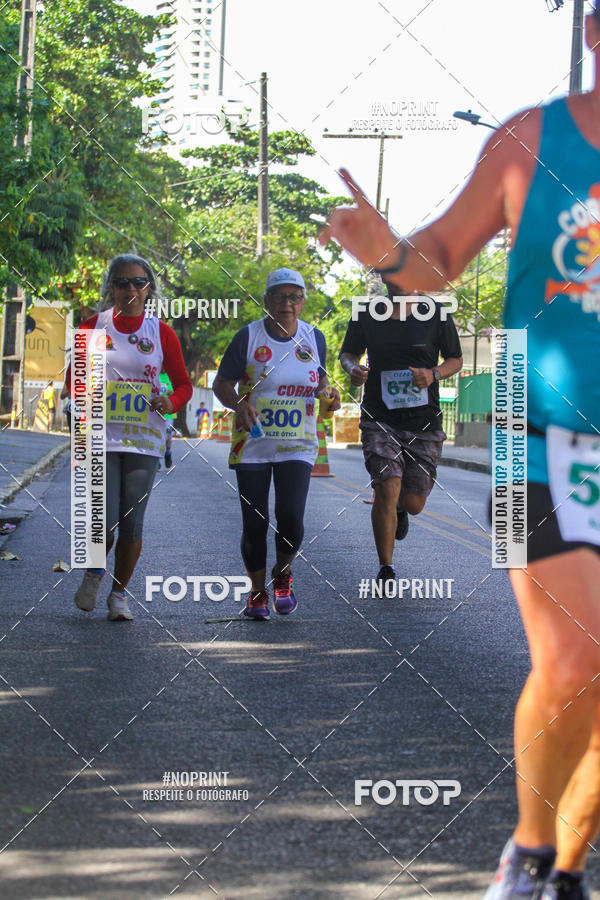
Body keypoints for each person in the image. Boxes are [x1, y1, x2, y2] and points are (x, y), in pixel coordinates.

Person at [320, 8, 600, 897]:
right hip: (537, 434)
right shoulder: (532, 141)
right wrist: (387, 253)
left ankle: (567, 867)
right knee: (577, 660)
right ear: (593, 32)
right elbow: (441, 253)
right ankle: (527, 856)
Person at [66, 254, 192, 621]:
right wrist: (83, 400)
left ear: (148, 288)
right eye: (122, 282)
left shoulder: (161, 333)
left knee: (132, 522)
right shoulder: (93, 327)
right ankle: (94, 573)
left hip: (143, 440)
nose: (130, 289)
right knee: (102, 519)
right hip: (100, 438)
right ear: (111, 287)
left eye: (138, 282)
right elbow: (73, 381)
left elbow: (184, 385)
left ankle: (118, 595)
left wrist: (170, 402)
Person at [212, 267, 341, 619]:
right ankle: (256, 593)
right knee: (255, 522)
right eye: (280, 296)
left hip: (298, 444)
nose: (288, 303)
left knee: (291, 518)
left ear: (303, 302)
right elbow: (222, 384)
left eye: (295, 297)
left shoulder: (315, 338)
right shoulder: (248, 337)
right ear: (267, 301)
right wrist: (240, 405)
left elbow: (321, 383)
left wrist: (329, 394)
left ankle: (282, 574)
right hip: (253, 444)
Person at [340, 281, 462, 586]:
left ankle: (400, 508)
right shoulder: (366, 313)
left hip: (423, 420)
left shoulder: (436, 313)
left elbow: (455, 359)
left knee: (414, 503)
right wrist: (352, 368)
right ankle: (386, 569)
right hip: (379, 417)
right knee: (387, 485)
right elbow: (348, 353)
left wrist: (433, 374)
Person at [159, 372, 176, 468]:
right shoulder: (153, 373)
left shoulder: (171, 376)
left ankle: (168, 453)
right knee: (156, 436)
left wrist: (172, 393)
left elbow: (175, 392)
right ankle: (156, 460)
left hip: (168, 414)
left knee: (168, 437)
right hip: (155, 412)